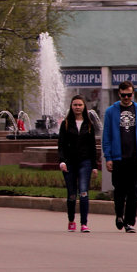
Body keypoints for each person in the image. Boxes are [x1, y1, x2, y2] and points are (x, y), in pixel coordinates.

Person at [101, 81, 137, 233]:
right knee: (120, 190)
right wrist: (108, 157)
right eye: (123, 95)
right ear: (119, 94)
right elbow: (107, 136)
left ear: (133, 94)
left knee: (134, 190)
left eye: (129, 95)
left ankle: (129, 222)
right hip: (118, 158)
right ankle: (119, 215)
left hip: (136, 157)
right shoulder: (111, 111)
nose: (126, 97)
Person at [56, 95, 99, 233]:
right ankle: (71, 220)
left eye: (80, 105)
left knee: (84, 192)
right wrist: (62, 161)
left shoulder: (89, 124)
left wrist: (94, 166)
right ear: (71, 106)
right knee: (72, 194)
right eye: (75, 105)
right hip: (69, 162)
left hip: (85, 162)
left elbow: (93, 147)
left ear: (84, 106)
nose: (77, 107)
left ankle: (84, 223)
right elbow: (61, 144)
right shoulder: (66, 123)